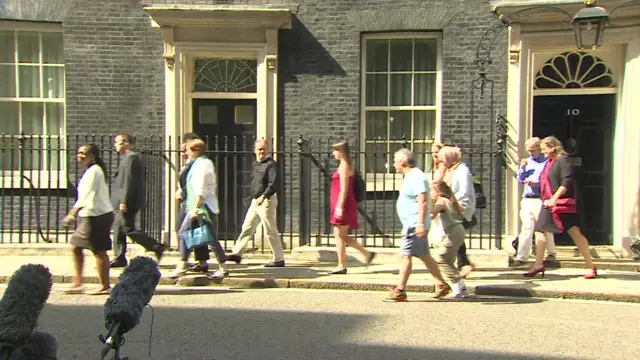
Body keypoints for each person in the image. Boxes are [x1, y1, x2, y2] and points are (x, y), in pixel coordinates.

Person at [382, 148, 451, 302]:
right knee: (424, 255)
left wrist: (420, 223)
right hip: (414, 222)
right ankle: (441, 284)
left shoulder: (415, 176)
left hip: (414, 224)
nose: (393, 164)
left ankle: (400, 290)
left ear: (403, 162)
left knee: (405, 256)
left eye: (395, 161)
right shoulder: (412, 176)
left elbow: (423, 199)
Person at [524, 136, 597, 279]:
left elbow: (566, 182)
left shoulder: (564, 160)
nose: (543, 152)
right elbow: (546, 181)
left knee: (575, 233)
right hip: (548, 204)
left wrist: (554, 199)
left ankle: (591, 266)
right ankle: (538, 265)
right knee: (539, 231)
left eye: (544, 149)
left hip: (562, 205)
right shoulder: (550, 162)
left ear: (553, 147)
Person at [62, 143, 114, 295]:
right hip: (90, 216)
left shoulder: (94, 171)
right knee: (75, 247)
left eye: (84, 153)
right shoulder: (90, 171)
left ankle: (105, 286)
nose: (80, 156)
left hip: (97, 216)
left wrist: (72, 213)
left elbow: (86, 195)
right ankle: (77, 283)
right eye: (78, 153)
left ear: (93, 156)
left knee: (98, 250)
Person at [110, 132, 165, 268]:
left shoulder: (132, 158)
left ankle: (156, 246)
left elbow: (129, 182)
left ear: (126, 143)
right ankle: (120, 257)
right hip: (125, 201)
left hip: (129, 202)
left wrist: (124, 201)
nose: (115, 145)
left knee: (127, 228)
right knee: (118, 228)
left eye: (117, 142)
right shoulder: (127, 158)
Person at [226, 139, 285, 268]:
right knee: (247, 226)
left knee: (270, 230)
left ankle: (278, 258)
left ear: (268, 149)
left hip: (266, 200)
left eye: (264, 149)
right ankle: (237, 253)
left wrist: (263, 196)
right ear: (255, 150)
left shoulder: (271, 164)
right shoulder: (255, 164)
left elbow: (273, 184)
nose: (261, 152)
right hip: (256, 200)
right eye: (259, 149)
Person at [176, 138, 229, 279]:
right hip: (196, 206)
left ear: (196, 151)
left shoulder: (203, 165)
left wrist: (195, 208)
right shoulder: (197, 164)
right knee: (187, 233)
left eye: (187, 150)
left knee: (208, 238)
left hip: (203, 208)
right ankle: (182, 265)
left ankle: (222, 268)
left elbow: (201, 189)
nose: (185, 153)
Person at [327, 141, 375, 274]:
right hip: (343, 204)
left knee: (339, 235)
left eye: (335, 151)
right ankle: (367, 253)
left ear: (341, 153)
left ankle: (341, 265)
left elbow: (343, 190)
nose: (333, 153)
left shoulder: (344, 167)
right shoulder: (345, 165)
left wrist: (339, 208)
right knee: (342, 235)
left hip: (343, 204)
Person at [510, 137, 557, 267]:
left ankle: (551, 253)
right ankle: (521, 256)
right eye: (529, 150)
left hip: (541, 198)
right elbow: (520, 179)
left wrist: (537, 182)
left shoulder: (546, 162)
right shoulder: (527, 162)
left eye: (533, 150)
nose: (531, 153)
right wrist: (522, 168)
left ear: (539, 148)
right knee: (526, 227)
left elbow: (548, 178)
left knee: (544, 227)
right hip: (527, 198)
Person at [439, 146, 476, 278]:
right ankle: (462, 264)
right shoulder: (452, 170)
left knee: (454, 235)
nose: (442, 162)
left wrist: (459, 207)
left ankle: (460, 265)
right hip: (451, 206)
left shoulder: (462, 170)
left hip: (459, 208)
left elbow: (464, 191)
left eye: (443, 159)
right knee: (456, 236)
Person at [431, 180, 469, 298]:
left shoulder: (441, 201)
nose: (429, 192)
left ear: (438, 192)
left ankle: (457, 287)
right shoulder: (450, 200)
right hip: (458, 230)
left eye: (431, 190)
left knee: (440, 259)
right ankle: (462, 288)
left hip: (453, 232)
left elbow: (431, 215)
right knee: (448, 261)